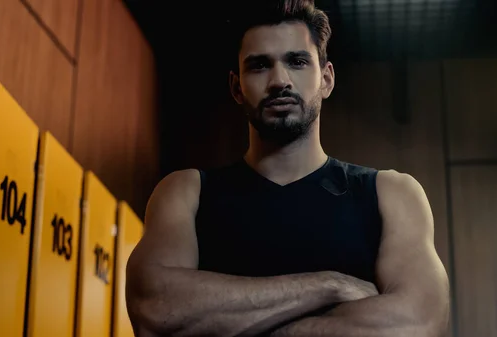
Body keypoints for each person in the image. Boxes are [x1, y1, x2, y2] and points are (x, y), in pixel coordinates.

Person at [126, 0, 449, 336]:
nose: (279, 80)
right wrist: (330, 286)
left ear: (326, 79)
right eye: (259, 66)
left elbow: (419, 324)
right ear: (237, 87)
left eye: (296, 61)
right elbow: (155, 310)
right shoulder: (187, 193)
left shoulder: (390, 194)